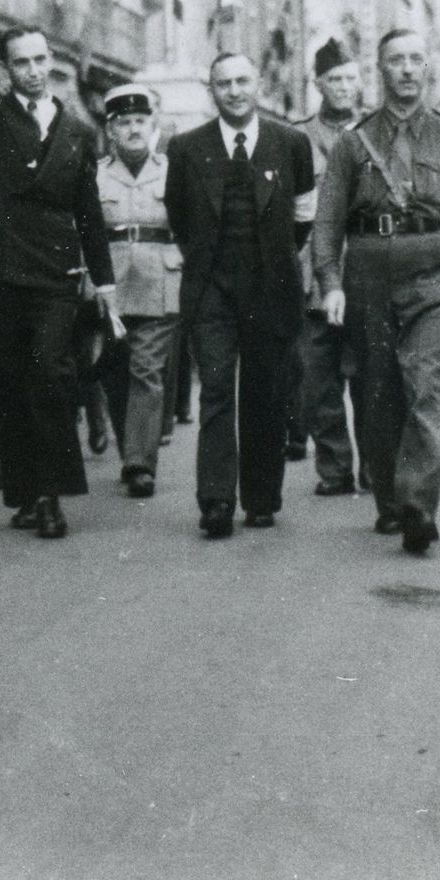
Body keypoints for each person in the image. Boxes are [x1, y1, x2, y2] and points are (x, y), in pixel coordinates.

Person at [0, 0, 116, 540]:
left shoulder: (79, 132)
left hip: (55, 271)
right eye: (22, 63)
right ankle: (23, 490)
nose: (34, 71)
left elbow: (88, 209)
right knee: (13, 381)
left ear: (54, 65)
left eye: (42, 60)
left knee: (53, 374)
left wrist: (105, 280)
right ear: (8, 70)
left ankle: (52, 494)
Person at [311, 28, 440, 555]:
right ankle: (390, 501)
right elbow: (327, 223)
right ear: (380, 69)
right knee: (378, 391)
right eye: (397, 61)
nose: (408, 69)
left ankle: (418, 504)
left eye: (416, 59)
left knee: (429, 383)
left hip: (437, 268)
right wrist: (329, 283)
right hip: (368, 271)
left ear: (428, 68)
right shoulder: (353, 142)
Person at [166, 53, 316, 536]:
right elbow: (180, 216)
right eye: (223, 83)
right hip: (211, 286)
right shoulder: (187, 148)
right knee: (214, 389)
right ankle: (215, 500)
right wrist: (211, 263)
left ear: (258, 85)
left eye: (242, 81)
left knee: (265, 391)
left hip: (270, 285)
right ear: (212, 90)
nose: (234, 91)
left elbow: (302, 217)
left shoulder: (291, 143)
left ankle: (261, 497)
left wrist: (271, 259)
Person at [92, 85, 183, 502]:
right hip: (108, 283)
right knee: (114, 369)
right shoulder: (94, 175)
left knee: (146, 367)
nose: (133, 129)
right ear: (111, 131)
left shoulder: (173, 171)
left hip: (159, 278)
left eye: (140, 122)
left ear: (153, 126)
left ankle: (139, 463)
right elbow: (84, 230)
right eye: (123, 122)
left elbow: (191, 223)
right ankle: (132, 446)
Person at [292, 39, 365, 496]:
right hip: (313, 273)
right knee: (318, 378)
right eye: (333, 79)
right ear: (318, 83)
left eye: (349, 78)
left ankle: (375, 467)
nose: (342, 87)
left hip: (367, 268)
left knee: (372, 376)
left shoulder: (378, 132)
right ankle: (335, 469)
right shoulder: (296, 138)